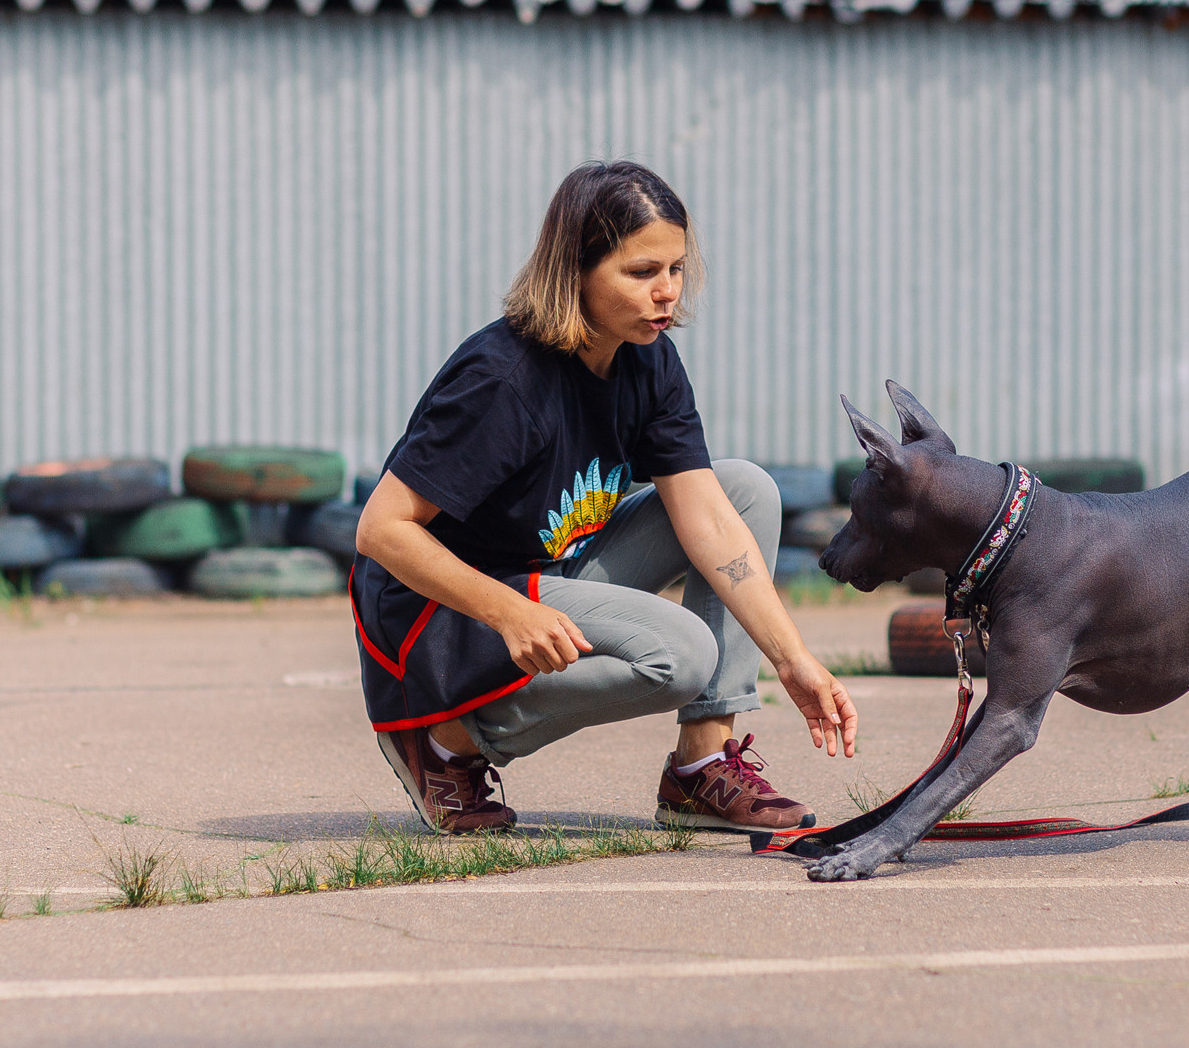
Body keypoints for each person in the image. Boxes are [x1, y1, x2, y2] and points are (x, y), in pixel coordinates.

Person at [352, 159, 859, 834]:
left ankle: (700, 767)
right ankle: (446, 741)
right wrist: (508, 611)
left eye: (676, 268)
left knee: (744, 490)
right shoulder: (503, 381)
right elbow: (380, 530)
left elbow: (710, 520)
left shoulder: (647, 358)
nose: (667, 292)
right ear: (575, 270)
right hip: (441, 611)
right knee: (681, 654)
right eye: (642, 272)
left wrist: (792, 658)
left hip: (548, 572)